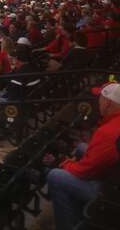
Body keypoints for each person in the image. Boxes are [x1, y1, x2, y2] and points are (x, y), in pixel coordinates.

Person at [46, 83, 120, 230]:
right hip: (112, 175)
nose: (98, 100)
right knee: (81, 148)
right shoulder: (113, 123)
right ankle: (76, 210)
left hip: (109, 193)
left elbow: (87, 170)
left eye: (101, 97)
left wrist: (65, 164)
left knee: (55, 175)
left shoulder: (108, 132)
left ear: (108, 103)